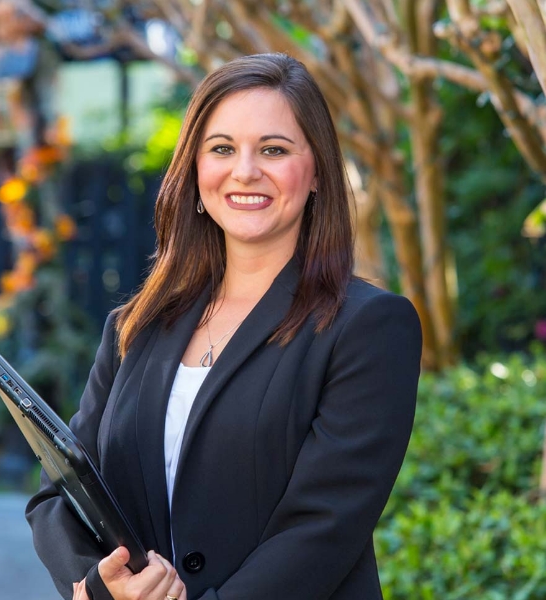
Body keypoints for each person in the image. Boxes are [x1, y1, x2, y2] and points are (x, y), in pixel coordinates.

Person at [26, 53, 422, 600]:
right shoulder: (137, 325)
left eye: (274, 150)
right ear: (194, 170)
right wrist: (101, 585)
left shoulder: (368, 327)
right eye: (222, 149)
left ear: (316, 174)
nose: (245, 171)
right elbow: (60, 494)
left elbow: (323, 529)